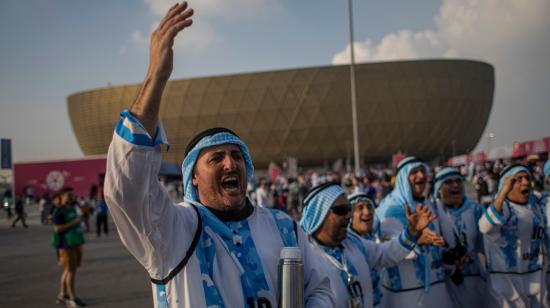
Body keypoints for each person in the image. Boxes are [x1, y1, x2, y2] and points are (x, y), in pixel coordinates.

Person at [104, 3, 334, 307]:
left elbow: (322, 287)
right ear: (194, 178)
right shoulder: (174, 232)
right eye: (216, 158)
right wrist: (155, 78)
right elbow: (127, 188)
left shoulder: (283, 227)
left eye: (237, 156)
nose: (230, 163)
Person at [300, 183, 437, 307]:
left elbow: (385, 253)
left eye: (349, 209)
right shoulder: (304, 258)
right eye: (341, 210)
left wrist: (412, 232)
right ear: (319, 214)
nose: (348, 215)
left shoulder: (353, 242)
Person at [375, 156, 451, 307]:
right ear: (402, 177)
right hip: (406, 294)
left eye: (423, 171)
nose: (421, 176)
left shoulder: (428, 203)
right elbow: (385, 248)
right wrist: (418, 239)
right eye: (414, 172)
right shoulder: (389, 208)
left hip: (436, 288)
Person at [479, 164, 548, 307]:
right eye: (518, 179)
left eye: (527, 178)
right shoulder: (503, 207)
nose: (525, 182)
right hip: (507, 287)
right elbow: (485, 226)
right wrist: (502, 192)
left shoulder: (537, 204)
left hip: (536, 281)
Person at [433, 168, 486, 307]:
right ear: (439, 188)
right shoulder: (432, 213)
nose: (455, 185)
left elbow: (487, 245)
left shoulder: (476, 210)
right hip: (444, 281)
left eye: (458, 181)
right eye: (448, 182)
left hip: (473, 280)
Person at [51, 187, 86, 307]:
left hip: (75, 243)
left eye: (72, 195)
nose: (71, 197)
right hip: (66, 245)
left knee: (68, 270)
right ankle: (72, 298)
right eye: (68, 195)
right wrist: (75, 223)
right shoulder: (59, 211)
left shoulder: (71, 208)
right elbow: (57, 228)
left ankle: (62, 294)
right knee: (70, 271)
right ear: (61, 197)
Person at [347, 193, 382, 307]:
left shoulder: (375, 238)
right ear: (349, 215)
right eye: (360, 208)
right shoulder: (345, 245)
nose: (367, 212)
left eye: (369, 207)